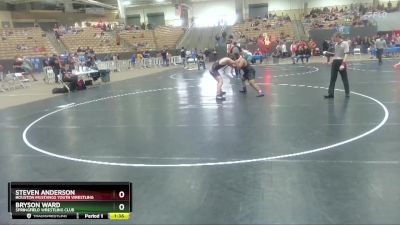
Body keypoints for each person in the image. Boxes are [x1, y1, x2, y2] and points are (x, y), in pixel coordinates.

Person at [324, 33, 350, 99]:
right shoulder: (336, 44)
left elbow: (346, 54)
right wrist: (331, 61)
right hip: (335, 62)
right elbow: (336, 55)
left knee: (344, 78)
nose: (334, 39)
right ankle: (331, 94)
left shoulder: (345, 43)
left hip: (341, 61)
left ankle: (347, 93)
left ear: (338, 37)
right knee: (332, 78)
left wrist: (343, 64)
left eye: (335, 38)